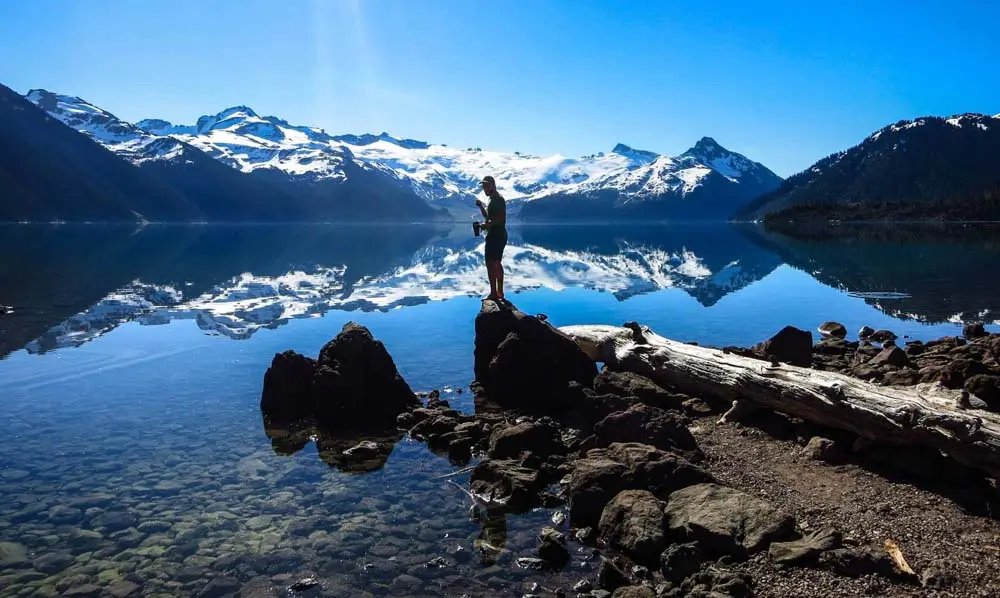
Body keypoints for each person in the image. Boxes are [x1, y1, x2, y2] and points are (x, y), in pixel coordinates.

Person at [476, 175, 507, 302]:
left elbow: (500, 218)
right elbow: (488, 217)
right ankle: (497, 292)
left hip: (497, 235)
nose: (484, 188)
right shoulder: (492, 200)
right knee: (493, 263)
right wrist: (481, 207)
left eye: (486, 185)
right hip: (494, 235)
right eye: (483, 186)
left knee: (493, 263)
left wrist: (486, 225)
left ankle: (496, 293)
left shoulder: (498, 199)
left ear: (493, 185)